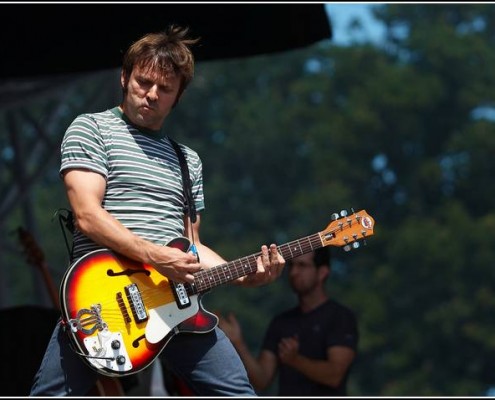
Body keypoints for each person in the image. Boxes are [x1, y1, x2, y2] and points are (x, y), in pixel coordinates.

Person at [29, 25, 285, 397]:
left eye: (164, 89)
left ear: (177, 97)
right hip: (105, 299)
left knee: (239, 393)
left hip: (180, 306)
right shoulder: (91, 128)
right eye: (143, 82)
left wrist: (245, 275)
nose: (151, 95)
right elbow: (86, 215)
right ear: (124, 77)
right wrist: (154, 256)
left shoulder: (188, 161)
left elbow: (192, 245)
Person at [218, 247, 358, 396]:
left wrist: (296, 360)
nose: (294, 272)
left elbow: (334, 376)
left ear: (323, 272)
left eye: (302, 266)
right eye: (292, 265)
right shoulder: (282, 322)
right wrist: (237, 342)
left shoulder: (340, 317)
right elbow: (262, 380)